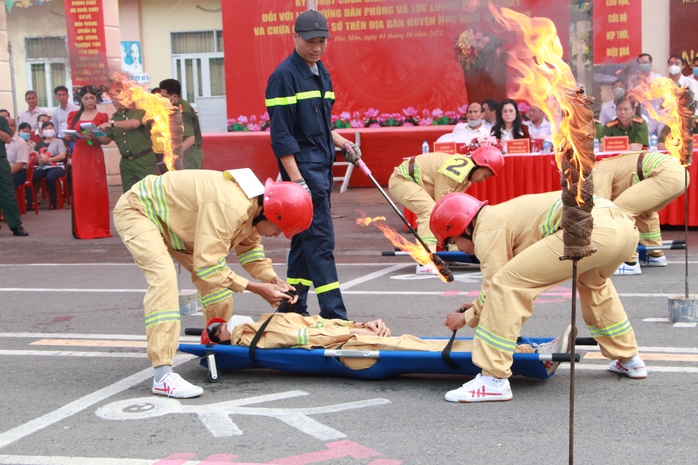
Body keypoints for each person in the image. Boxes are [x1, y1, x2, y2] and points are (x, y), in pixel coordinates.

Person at [112, 171, 314, 398]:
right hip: (139, 210)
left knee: (217, 289)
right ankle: (162, 375)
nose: (277, 235)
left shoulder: (254, 206)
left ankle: (216, 348)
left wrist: (273, 280)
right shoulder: (232, 206)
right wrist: (257, 288)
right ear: (271, 214)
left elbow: (250, 253)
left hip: (174, 226)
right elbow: (207, 266)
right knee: (164, 279)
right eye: (279, 229)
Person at [430, 191, 646, 403]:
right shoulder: (501, 214)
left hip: (590, 229)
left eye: (453, 241)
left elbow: (497, 284)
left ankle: (493, 380)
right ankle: (628, 358)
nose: (458, 249)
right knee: (594, 284)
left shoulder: (486, 229)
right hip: (623, 229)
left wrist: (467, 317)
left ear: (463, 227)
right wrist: (477, 308)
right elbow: (495, 291)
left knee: (506, 285)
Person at [265, 10, 361, 320]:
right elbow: (282, 136)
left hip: (321, 167)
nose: (316, 48)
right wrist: (297, 182)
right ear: (294, 38)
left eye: (322, 42)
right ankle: (335, 315)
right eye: (310, 42)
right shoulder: (284, 77)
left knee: (304, 241)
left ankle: (291, 306)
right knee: (320, 241)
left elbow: (321, 126)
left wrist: (344, 143)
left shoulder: (321, 72)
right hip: (304, 172)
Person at [203, 313, 570, 373]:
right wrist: (349, 334)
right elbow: (302, 338)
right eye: (216, 329)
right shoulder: (250, 334)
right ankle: (523, 353)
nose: (224, 325)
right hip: (348, 350)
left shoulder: (260, 323)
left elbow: (317, 324)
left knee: (417, 342)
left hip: (351, 338)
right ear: (220, 339)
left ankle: (519, 349)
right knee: (425, 349)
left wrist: (359, 323)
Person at [388, 145, 504, 273]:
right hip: (403, 180)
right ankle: (425, 261)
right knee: (431, 212)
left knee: (445, 214)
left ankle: (450, 252)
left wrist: (456, 248)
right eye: (484, 175)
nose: (483, 180)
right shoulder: (456, 172)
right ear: (479, 165)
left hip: (418, 182)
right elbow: (442, 207)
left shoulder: (465, 177)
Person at [594, 151, 688, 275]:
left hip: (665, 174)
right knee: (645, 213)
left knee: (619, 212)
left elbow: (601, 207)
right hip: (679, 175)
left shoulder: (596, 171)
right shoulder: (608, 164)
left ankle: (628, 262)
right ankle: (654, 255)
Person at [67, 86, 112, 239]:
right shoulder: (74, 115)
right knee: (81, 189)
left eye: (92, 98)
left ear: (96, 99)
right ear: (81, 100)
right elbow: (68, 136)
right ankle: (82, 227)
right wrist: (75, 135)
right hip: (79, 154)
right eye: (85, 98)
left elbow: (105, 140)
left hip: (94, 154)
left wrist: (94, 136)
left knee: (95, 190)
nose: (89, 101)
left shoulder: (101, 116)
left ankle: (98, 226)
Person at [98, 85, 158, 192]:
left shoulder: (139, 111)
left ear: (126, 97)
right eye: (112, 99)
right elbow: (106, 140)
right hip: (126, 162)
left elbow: (134, 124)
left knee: (150, 192)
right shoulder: (115, 117)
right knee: (129, 194)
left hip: (143, 159)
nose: (114, 101)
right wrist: (95, 135)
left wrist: (111, 124)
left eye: (117, 98)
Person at [158, 78, 203, 169]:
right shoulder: (173, 107)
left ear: (174, 96)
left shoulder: (182, 111)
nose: (161, 99)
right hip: (184, 154)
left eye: (164, 97)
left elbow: (190, 139)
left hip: (189, 155)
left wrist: (174, 157)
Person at [0, 115, 28, 236]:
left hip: (1, 161)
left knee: (7, 193)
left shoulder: (1, 121)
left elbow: (7, 138)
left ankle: (16, 226)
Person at [31, 121, 67, 210]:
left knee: (50, 177)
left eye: (50, 128)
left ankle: (53, 200)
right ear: (42, 131)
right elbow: (36, 156)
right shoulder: (40, 143)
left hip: (57, 166)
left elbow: (62, 155)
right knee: (30, 177)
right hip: (43, 167)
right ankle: (31, 200)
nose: (48, 130)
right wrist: (40, 159)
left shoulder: (59, 141)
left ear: (54, 129)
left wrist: (49, 160)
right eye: (46, 129)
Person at [5, 117, 30, 191]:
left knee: (6, 182)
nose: (10, 128)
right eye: (7, 125)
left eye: (12, 125)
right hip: (3, 172)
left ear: (15, 127)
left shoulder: (21, 142)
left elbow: (19, 164)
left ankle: (10, 202)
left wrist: (5, 174)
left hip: (17, 172)